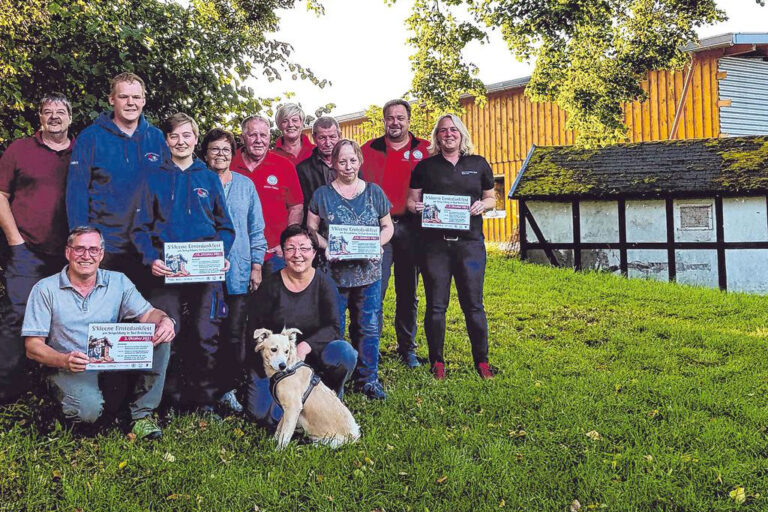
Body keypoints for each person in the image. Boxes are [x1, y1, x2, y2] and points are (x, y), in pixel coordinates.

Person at [22, 227, 176, 439]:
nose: (87, 256)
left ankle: (141, 416)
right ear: (68, 252)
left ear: (101, 254)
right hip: (70, 365)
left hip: (110, 362)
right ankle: (62, 398)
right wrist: (64, 360)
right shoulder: (45, 289)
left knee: (161, 335)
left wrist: (165, 320)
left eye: (93, 250)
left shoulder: (118, 281)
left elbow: (149, 313)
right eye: (80, 249)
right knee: (88, 413)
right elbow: (32, 347)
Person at [131, 113, 235, 412]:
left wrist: (220, 256)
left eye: (187, 135)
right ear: (166, 141)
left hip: (204, 271)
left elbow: (226, 227)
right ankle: (167, 401)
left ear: (195, 139)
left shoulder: (208, 178)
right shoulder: (154, 178)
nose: (181, 141)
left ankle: (204, 401)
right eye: (174, 136)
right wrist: (151, 259)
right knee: (166, 333)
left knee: (206, 335)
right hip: (165, 270)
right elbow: (139, 229)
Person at [406, 114, 496, 380]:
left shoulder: (478, 164)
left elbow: (491, 197)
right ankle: (437, 362)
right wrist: (417, 208)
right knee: (436, 305)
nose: (448, 134)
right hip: (435, 246)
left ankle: (482, 362)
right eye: (443, 130)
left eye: (453, 130)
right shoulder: (425, 166)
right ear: (437, 136)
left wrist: (483, 205)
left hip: (470, 245)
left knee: (474, 305)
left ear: (461, 133)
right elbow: (412, 201)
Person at [244, 224, 358, 428]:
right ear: (283, 252)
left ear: (314, 252)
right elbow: (254, 330)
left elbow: (333, 328)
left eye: (304, 248)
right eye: (290, 248)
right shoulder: (270, 286)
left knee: (344, 353)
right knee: (262, 414)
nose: (297, 255)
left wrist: (305, 346)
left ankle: (330, 394)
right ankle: (293, 405)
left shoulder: (325, 284)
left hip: (312, 358)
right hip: (276, 362)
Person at [0, 93, 74, 403]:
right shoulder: (19, 149)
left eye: (61, 112)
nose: (54, 116)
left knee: (64, 321)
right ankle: (7, 392)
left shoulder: (83, 151)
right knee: (17, 316)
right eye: (48, 112)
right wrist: (15, 240)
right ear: (39, 117)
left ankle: (54, 388)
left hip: (70, 255)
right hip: (26, 250)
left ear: (71, 118)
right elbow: (1, 196)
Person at [307, 140, 393, 399]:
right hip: (333, 274)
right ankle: (334, 380)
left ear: (360, 161)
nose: (347, 166)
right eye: (342, 161)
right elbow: (310, 229)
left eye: (352, 160)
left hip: (368, 273)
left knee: (368, 326)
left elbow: (388, 226)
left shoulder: (374, 192)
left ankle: (368, 379)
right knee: (334, 328)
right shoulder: (322, 194)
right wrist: (325, 246)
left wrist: (378, 243)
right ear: (333, 163)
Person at [66, 72, 168, 286]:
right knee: (104, 316)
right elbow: (76, 195)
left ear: (144, 100)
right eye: (123, 97)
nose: (131, 103)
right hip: (106, 247)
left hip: (147, 248)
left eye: (136, 97)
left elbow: (170, 191)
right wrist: (83, 244)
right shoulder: (90, 138)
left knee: (146, 316)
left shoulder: (157, 138)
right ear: (112, 100)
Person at [201, 127, 267, 414]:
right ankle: (204, 393)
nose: (220, 154)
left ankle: (228, 389)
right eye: (214, 149)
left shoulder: (245, 185)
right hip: (202, 271)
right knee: (205, 335)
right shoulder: (196, 182)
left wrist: (256, 265)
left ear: (233, 153)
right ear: (205, 154)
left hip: (238, 270)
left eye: (226, 150)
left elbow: (256, 228)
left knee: (235, 334)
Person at [361, 99, 430, 369]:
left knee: (408, 291)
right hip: (379, 229)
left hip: (413, 228)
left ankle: (407, 349)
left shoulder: (425, 149)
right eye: (390, 118)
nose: (395, 122)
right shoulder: (369, 149)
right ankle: (371, 347)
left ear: (409, 120)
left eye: (400, 117)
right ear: (384, 121)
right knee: (375, 290)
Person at [230, 115, 303, 275]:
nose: (258, 140)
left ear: (269, 137)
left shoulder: (284, 165)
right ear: (243, 137)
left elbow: (296, 207)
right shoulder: (229, 162)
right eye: (253, 135)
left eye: (263, 135)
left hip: (274, 254)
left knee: (274, 299)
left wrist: (286, 242)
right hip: (235, 254)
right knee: (238, 300)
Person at [295, 116, 342, 226]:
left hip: (347, 228)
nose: (328, 142)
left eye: (332, 137)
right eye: (322, 138)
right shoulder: (302, 170)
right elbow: (302, 207)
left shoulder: (352, 165)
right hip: (316, 229)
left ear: (339, 136)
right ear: (314, 138)